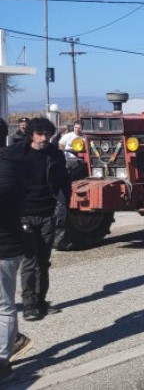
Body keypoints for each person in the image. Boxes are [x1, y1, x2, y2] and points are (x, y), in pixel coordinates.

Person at [8, 118, 69, 322]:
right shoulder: (16, 154)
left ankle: (41, 301)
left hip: (47, 214)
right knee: (29, 261)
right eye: (40, 134)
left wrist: (62, 208)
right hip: (24, 214)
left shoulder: (55, 156)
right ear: (32, 134)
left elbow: (63, 184)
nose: (44, 139)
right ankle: (29, 305)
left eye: (47, 135)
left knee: (43, 262)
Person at [0, 125, 33, 382]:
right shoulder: (16, 166)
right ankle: (14, 339)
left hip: (5, 246)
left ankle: (2, 362)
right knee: (4, 304)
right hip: (12, 243)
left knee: (4, 306)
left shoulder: (9, 169)